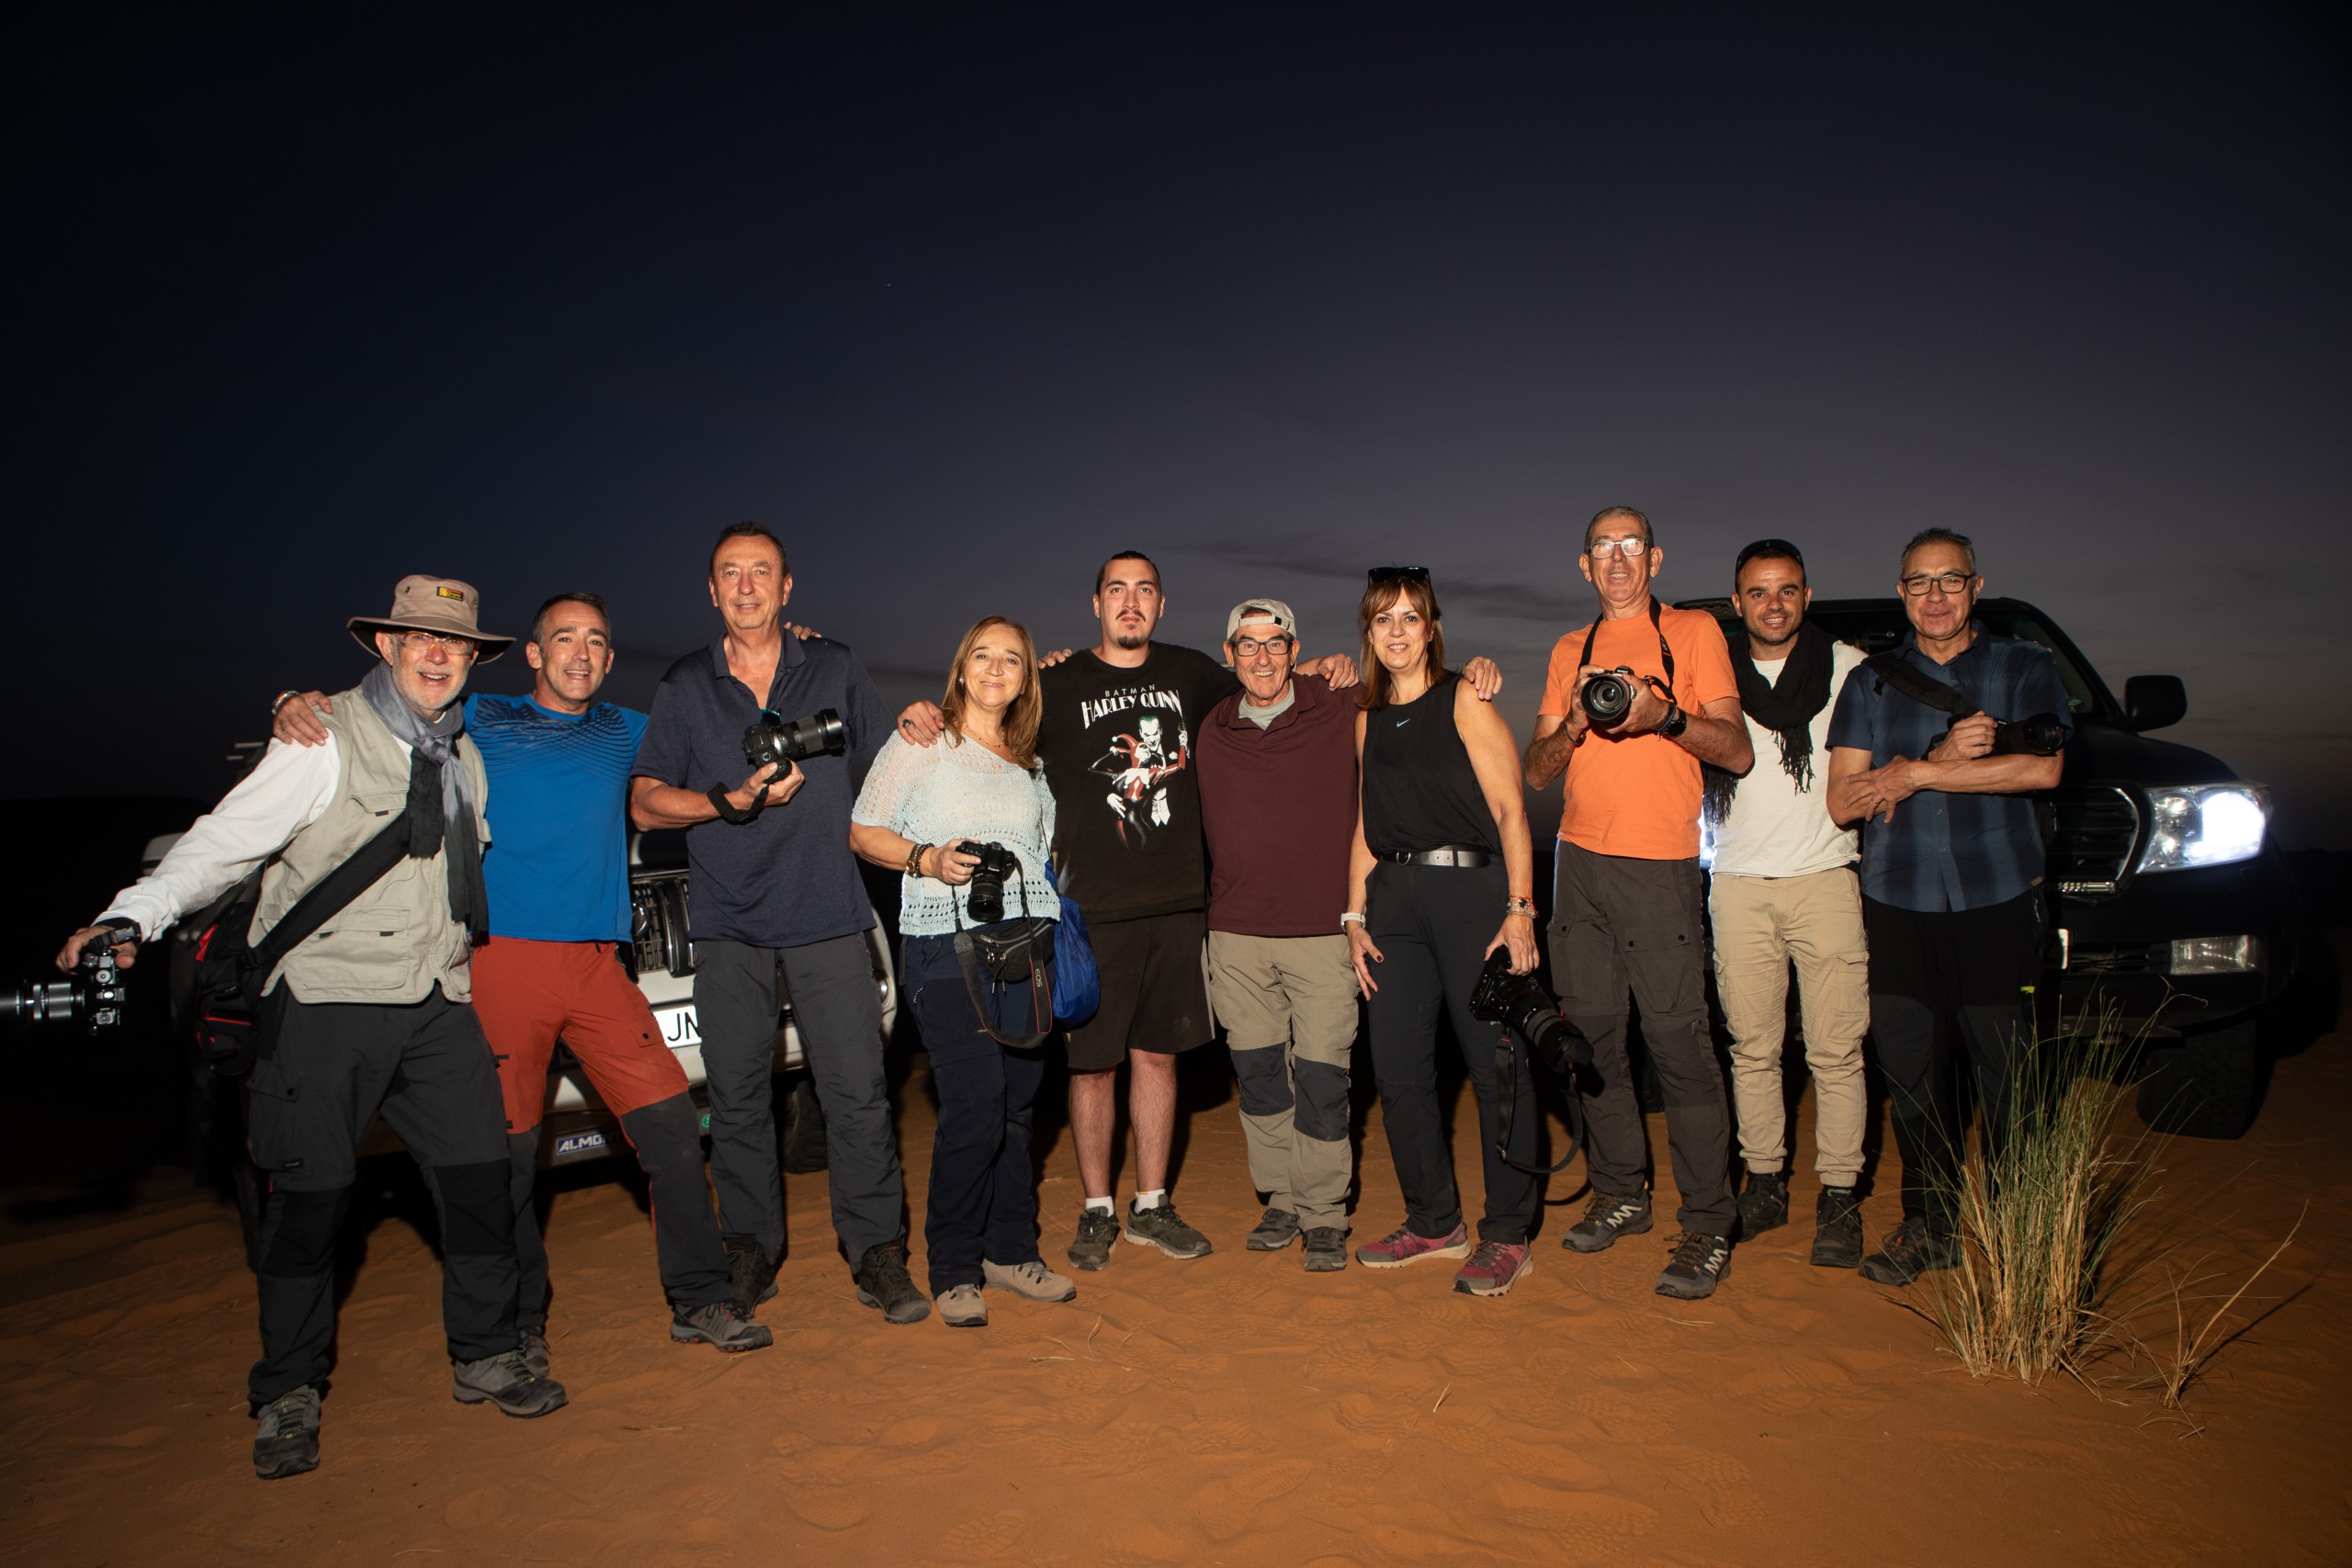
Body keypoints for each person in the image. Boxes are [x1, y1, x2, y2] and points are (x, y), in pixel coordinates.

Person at [60, 576, 566, 1482]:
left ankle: (487, 1352)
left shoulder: (464, 752)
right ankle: (287, 1390)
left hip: (436, 1003)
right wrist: (130, 917)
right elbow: (223, 842)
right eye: (419, 637)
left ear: (472, 657)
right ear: (387, 646)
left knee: (483, 1182)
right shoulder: (322, 735)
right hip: (327, 1004)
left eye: (455, 641)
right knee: (311, 1203)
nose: (438, 653)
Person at [269, 593, 770, 1367]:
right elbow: (387, 706)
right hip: (502, 960)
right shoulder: (483, 716)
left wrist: (777, 648)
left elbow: (713, 736)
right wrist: (293, 701)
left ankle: (700, 1296)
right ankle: (515, 1322)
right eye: (564, 638)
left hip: (597, 966)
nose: (581, 653)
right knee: (503, 1158)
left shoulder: (626, 730)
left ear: (609, 658)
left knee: (672, 1127)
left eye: (595, 641)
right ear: (535, 654)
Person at [897, 552, 1361, 1270]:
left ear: (1161, 604)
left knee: (1158, 1059)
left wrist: (1325, 666)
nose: (1131, 601)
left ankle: (1151, 1204)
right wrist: (927, 711)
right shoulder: (1055, 682)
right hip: (1088, 914)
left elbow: (1266, 680)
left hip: (1178, 907)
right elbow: (985, 713)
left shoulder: (1194, 672)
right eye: (1117, 589)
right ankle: (1096, 1209)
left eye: (1145, 589)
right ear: (1097, 604)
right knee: (1091, 1068)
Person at [628, 522, 927, 1324]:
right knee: (735, 1099)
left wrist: (930, 718)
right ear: (712, 590)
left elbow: (894, 762)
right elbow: (645, 800)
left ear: (786, 587)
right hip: (729, 922)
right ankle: (749, 1248)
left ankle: (876, 1251)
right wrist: (726, 801)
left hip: (829, 910)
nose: (747, 586)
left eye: (761, 571)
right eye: (731, 573)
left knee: (857, 1092)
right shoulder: (685, 684)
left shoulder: (832, 664)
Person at [1522, 505, 1754, 1301]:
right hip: (1579, 863)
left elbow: (1737, 750)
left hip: (1660, 863)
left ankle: (1708, 1221)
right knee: (1591, 1040)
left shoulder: (1692, 632)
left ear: (1654, 558)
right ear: (1584, 564)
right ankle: (1621, 1189)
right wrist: (1576, 722)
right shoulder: (1570, 649)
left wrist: (1665, 717)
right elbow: (1538, 770)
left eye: (1631, 546)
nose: (1617, 559)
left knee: (1678, 1041)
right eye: (1602, 547)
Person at [1826, 527, 2068, 1285]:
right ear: (1902, 592)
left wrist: (1914, 777)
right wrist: (1930, 760)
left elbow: (2043, 769)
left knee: (2008, 1074)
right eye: (1920, 582)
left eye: (1950, 580)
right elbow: (1842, 801)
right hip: (1897, 902)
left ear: (1976, 586)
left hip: (1997, 898)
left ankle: (2017, 1231)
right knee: (1910, 1071)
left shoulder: (2024, 666)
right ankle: (1929, 1224)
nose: (1935, 596)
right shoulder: (1871, 682)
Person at [850, 616, 1075, 1327]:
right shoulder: (923, 741)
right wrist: (927, 858)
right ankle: (953, 1266)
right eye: (983, 655)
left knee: (1017, 1109)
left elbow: (1045, 853)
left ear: (1026, 676)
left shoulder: (1031, 765)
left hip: (1025, 948)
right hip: (945, 945)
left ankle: (1010, 1251)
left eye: (1012, 658)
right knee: (976, 1106)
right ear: (961, 667)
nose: (996, 668)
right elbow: (863, 828)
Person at [1344, 568, 1544, 1296]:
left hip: (1470, 894)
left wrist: (1519, 909)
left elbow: (1511, 810)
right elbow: (1366, 823)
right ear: (1368, 633)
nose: (1396, 630)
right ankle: (1434, 1220)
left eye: (1410, 617)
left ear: (1430, 629)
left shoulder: (1464, 699)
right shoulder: (1366, 718)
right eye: (1383, 618)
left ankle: (1508, 1232)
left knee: (1497, 1065)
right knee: (1398, 1068)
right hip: (1393, 903)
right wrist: (1352, 914)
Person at [1704, 540, 1870, 1269]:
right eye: (1758, 592)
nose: (1773, 604)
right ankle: (1766, 1181)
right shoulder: (1713, 672)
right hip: (1739, 881)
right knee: (1752, 1046)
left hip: (1825, 875)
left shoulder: (1850, 668)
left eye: (1787, 590)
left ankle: (1840, 1194)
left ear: (1807, 596)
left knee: (1836, 1048)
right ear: (1736, 602)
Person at [1195, 599, 1365, 1272]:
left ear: (1296, 650)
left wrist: (1476, 676)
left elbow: (1415, 687)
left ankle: (1324, 1212)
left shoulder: (1338, 702)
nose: (1262, 656)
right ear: (1229, 654)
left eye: (1275, 643)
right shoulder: (1211, 725)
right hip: (1235, 935)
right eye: (1248, 644)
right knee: (1260, 1074)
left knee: (1322, 1074)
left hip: (1322, 930)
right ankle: (1283, 1199)